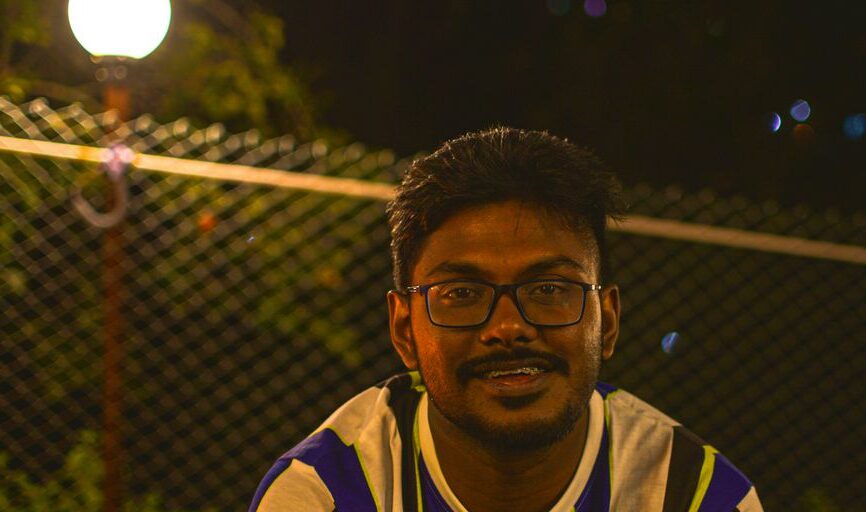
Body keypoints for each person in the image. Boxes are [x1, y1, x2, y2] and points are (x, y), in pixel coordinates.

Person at [250, 127, 764, 511]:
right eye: (464, 293)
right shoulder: (325, 493)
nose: (508, 328)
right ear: (404, 329)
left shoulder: (694, 496)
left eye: (548, 289)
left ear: (606, 321)